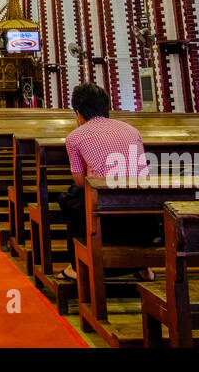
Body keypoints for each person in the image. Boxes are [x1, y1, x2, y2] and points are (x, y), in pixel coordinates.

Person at [54, 83, 158, 283]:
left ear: (78, 114)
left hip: (106, 221)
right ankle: (144, 266)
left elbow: (80, 181)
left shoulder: (74, 138)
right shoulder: (132, 130)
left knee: (71, 197)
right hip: (146, 220)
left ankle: (76, 267)